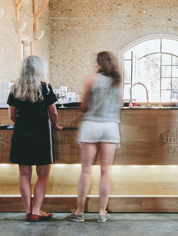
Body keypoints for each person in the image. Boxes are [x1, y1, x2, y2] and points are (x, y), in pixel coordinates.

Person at [66, 51, 122, 223]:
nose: (94, 65)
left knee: (86, 170)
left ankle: (80, 212)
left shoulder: (91, 79)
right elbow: (119, 106)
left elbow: (83, 106)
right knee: (105, 171)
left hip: (91, 125)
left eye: (96, 62)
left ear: (100, 63)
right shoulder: (117, 82)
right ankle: (102, 213)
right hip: (111, 127)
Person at [8, 55, 63, 222]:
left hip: (21, 134)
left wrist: (22, 125)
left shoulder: (15, 88)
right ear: (40, 70)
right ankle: (37, 210)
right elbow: (53, 112)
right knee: (43, 174)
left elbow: (11, 115)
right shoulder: (45, 88)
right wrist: (55, 125)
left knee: (24, 174)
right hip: (41, 134)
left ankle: (28, 210)